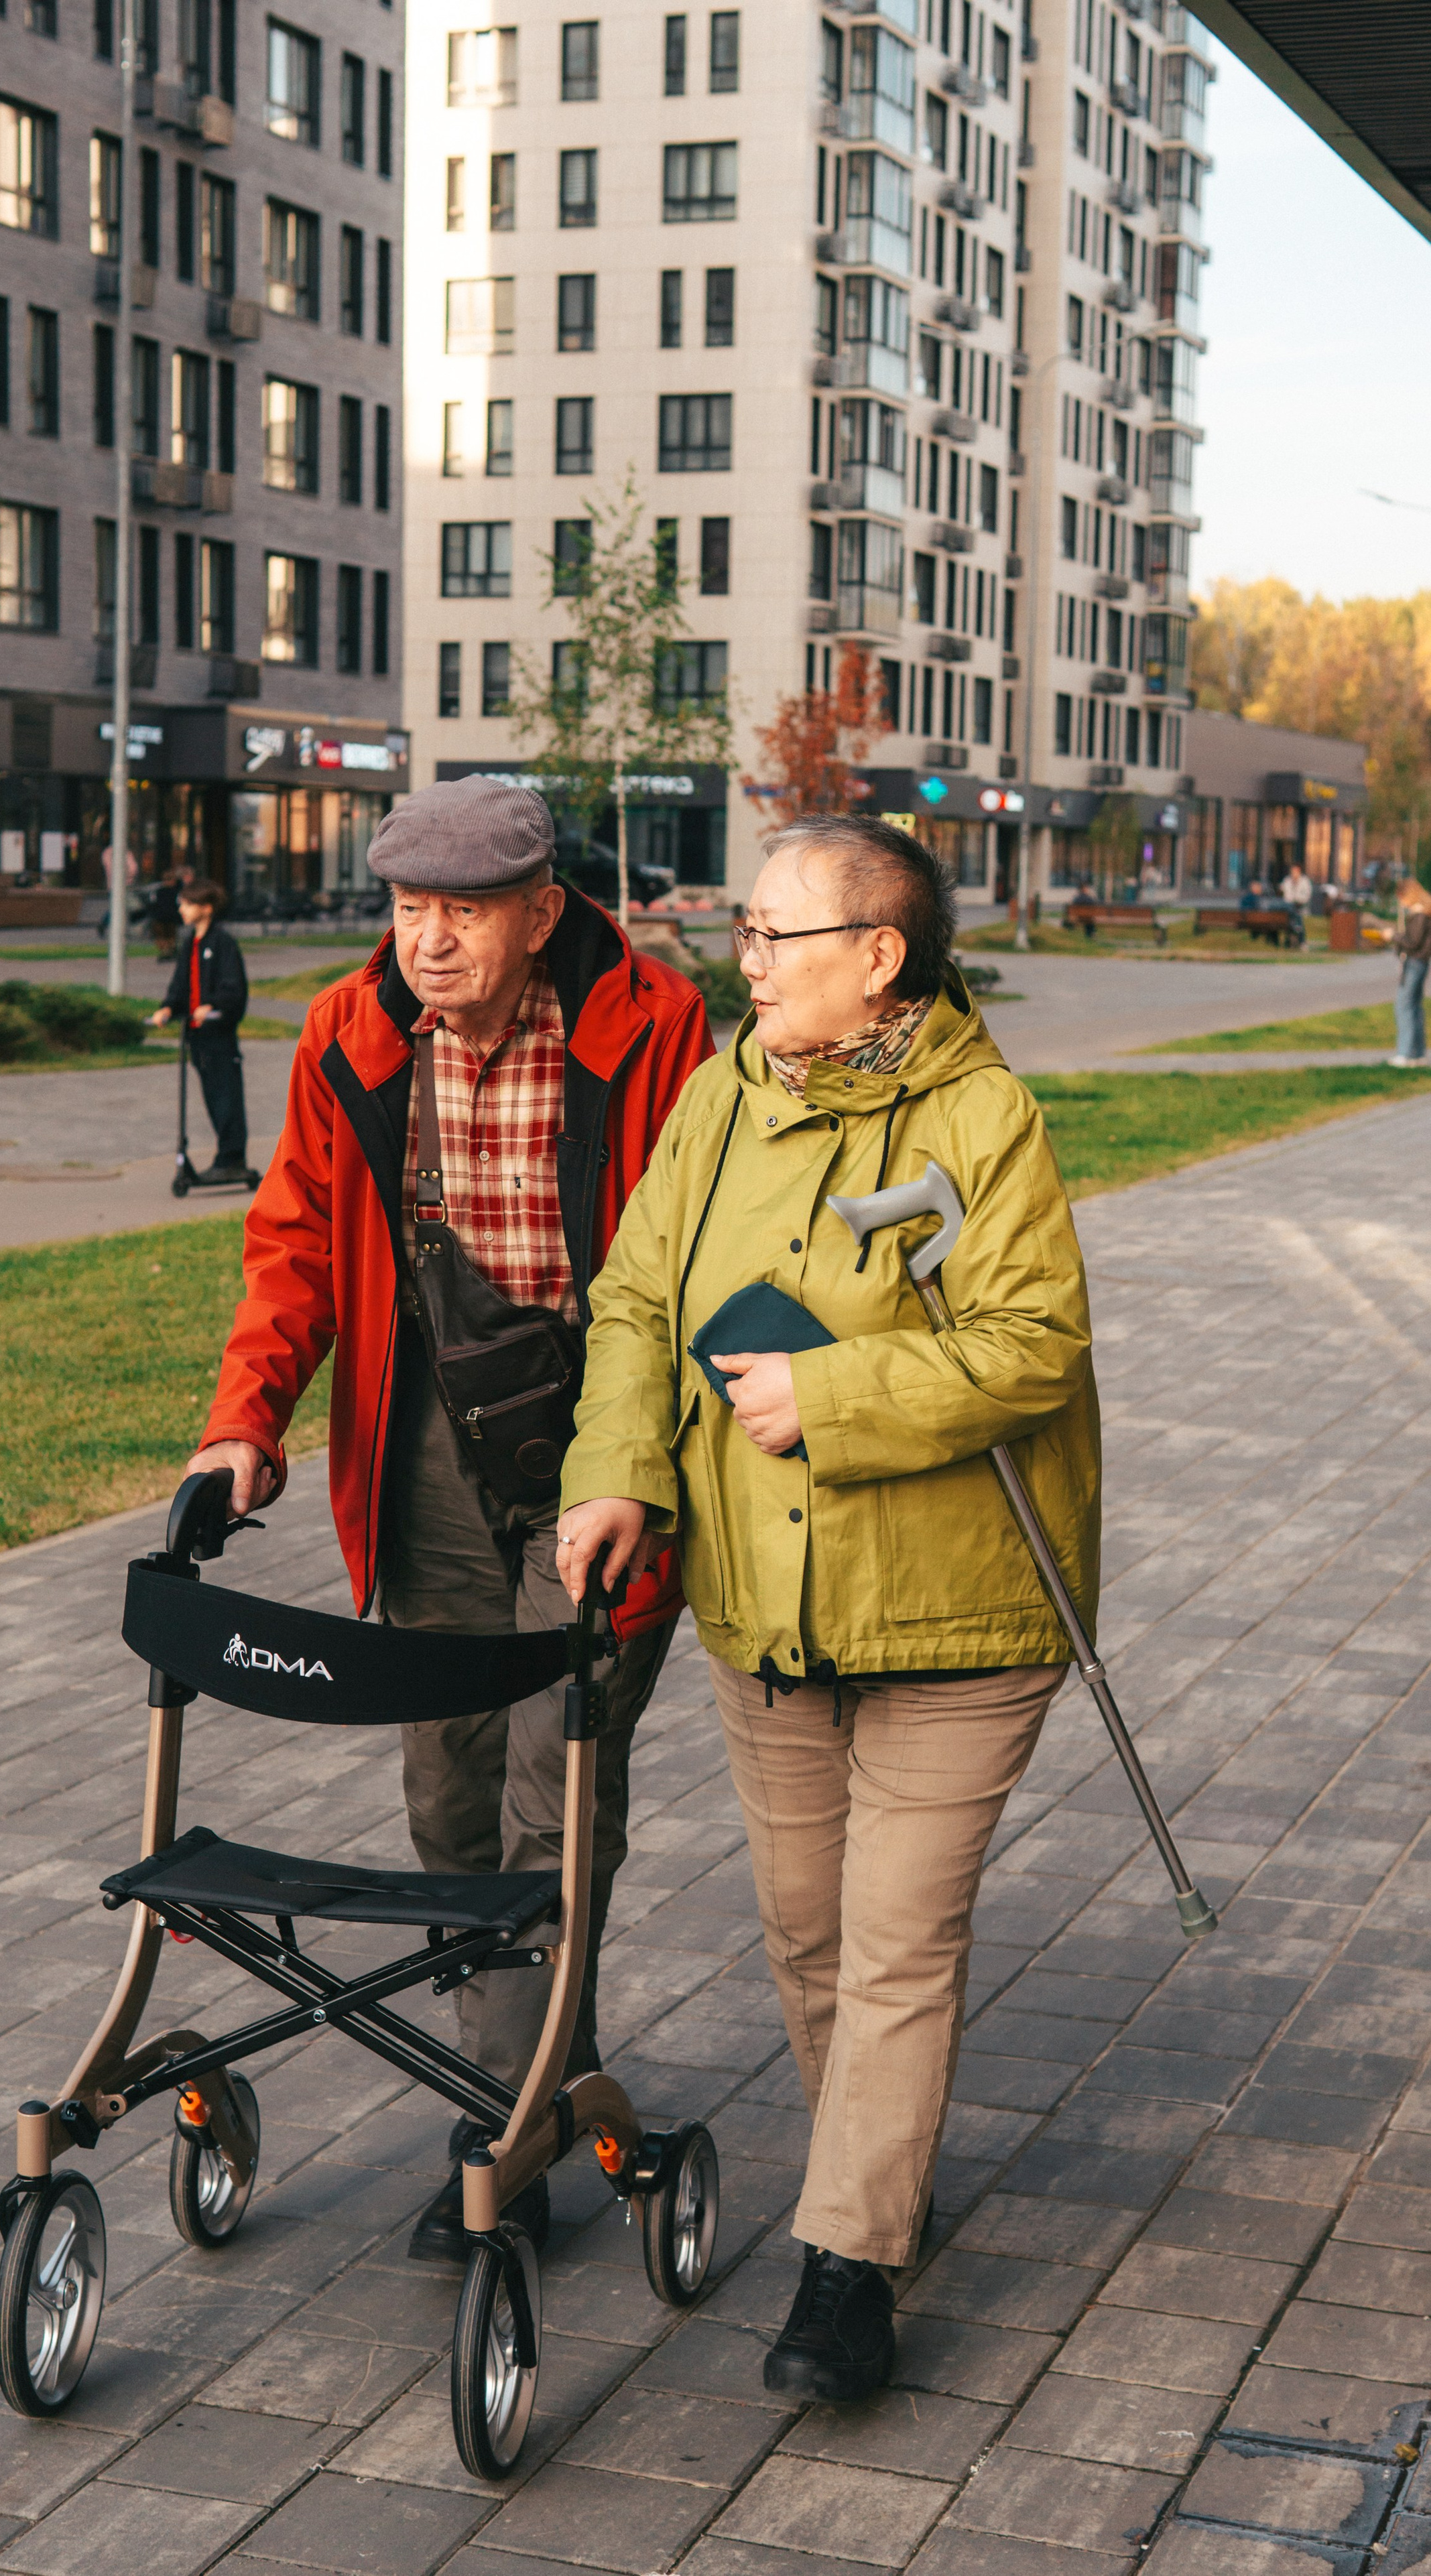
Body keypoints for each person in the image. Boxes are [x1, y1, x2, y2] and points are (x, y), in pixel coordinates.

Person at [557, 813, 1100, 2406]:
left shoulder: (981, 1118)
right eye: (740, 930)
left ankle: (847, 2264)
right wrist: (618, 1475)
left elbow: (1028, 1346)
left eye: (772, 936)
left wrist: (834, 1392)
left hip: (957, 1617)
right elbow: (639, 1299)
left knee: (890, 1942)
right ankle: (878, 2178)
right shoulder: (719, 1103)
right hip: (765, 1612)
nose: (741, 960)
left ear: (876, 960)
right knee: (803, 1931)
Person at [180, 775, 713, 2260]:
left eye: (464, 911)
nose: (429, 940)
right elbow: (290, 1243)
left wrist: (646, 1456)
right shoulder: (353, 1036)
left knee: (559, 1796)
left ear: (540, 911)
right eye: (409, 908)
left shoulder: (652, 1026)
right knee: (446, 1791)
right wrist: (245, 1423)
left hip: (604, 1436)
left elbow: (685, 1264)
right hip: (424, 1438)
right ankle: (516, 2058)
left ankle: (508, 2119)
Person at [149, 878, 251, 1175]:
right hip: (198, 1037)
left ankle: (232, 1159)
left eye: (188, 904)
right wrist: (168, 1007)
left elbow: (234, 988)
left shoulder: (222, 943)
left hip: (219, 1036)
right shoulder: (191, 944)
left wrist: (215, 1005)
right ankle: (227, 1156)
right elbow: (181, 984)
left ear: (206, 909)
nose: (181, 909)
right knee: (213, 1097)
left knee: (226, 1097)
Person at [1389, 879, 1431, 1069]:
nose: (1401, 903)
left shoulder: (1420, 915)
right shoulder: (1424, 914)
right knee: (1415, 1008)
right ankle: (1418, 1053)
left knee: (1404, 1007)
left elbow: (1412, 942)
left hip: (1414, 963)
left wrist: (1394, 937)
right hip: (1421, 963)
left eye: (1401, 898)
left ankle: (1404, 1053)